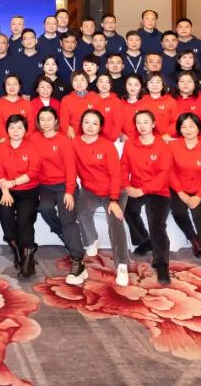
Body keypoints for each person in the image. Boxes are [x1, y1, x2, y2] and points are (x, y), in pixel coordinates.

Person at [68, 109, 129, 286]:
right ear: (81, 124)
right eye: (86, 122)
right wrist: (70, 191)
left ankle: (122, 264)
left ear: (100, 127)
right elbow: (71, 170)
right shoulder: (74, 143)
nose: (90, 126)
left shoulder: (107, 145)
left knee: (115, 221)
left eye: (94, 123)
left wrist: (114, 200)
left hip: (114, 190)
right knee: (81, 211)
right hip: (90, 190)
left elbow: (115, 174)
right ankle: (91, 239)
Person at [122, 110, 176, 284]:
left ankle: (162, 264)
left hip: (158, 191)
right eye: (138, 122)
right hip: (136, 187)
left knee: (157, 224)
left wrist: (143, 190)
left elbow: (164, 175)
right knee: (127, 208)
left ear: (153, 124)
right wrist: (127, 186)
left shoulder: (163, 146)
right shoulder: (130, 144)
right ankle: (144, 240)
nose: (142, 126)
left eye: (146, 122)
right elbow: (123, 168)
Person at [168, 113, 201, 278]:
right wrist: (181, 193)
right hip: (179, 189)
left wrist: (199, 196)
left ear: (199, 128)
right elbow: (170, 171)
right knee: (178, 211)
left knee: (199, 215)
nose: (188, 130)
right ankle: (193, 238)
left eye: (192, 126)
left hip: (200, 190)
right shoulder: (173, 146)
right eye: (183, 127)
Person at [31, 107, 82, 264]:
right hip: (45, 186)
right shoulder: (33, 139)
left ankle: (77, 257)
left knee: (68, 218)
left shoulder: (63, 140)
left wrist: (69, 191)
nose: (46, 123)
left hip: (65, 185)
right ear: (38, 122)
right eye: (42, 119)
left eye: (49, 119)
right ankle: (60, 232)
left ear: (56, 121)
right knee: (44, 208)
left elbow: (71, 168)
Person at [0, 115, 41, 278]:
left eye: (19, 127)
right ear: (7, 129)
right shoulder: (1, 147)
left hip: (28, 190)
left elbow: (34, 171)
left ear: (25, 130)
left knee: (24, 220)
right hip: (7, 191)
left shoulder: (32, 146)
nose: (15, 131)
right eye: (12, 127)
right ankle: (16, 248)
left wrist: (13, 182)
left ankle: (27, 260)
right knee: (4, 212)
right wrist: (5, 190)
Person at [171, 71, 201, 141]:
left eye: (189, 81)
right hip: (173, 140)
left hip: (198, 140)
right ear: (177, 83)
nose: (185, 84)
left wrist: (197, 140)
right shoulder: (170, 99)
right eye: (182, 81)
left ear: (195, 84)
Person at [0, 74, 34, 141]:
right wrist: (7, 139)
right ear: (5, 87)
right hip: (6, 141)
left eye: (15, 84)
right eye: (8, 84)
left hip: (24, 141)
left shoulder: (27, 103)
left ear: (20, 86)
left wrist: (24, 138)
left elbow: (31, 124)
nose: (12, 87)